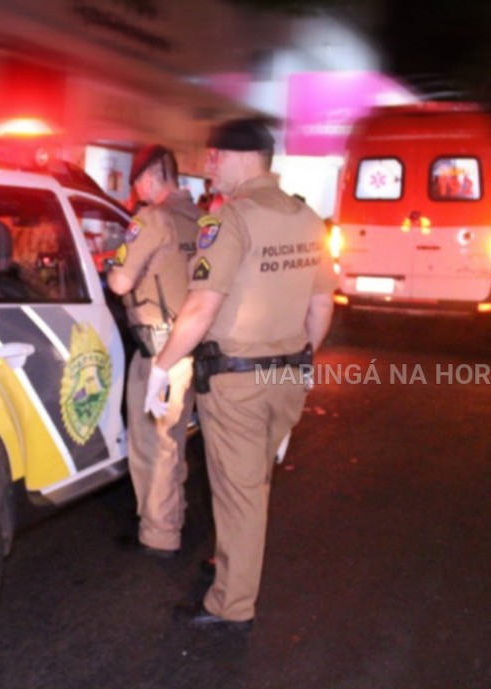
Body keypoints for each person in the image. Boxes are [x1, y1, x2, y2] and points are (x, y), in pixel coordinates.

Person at [145, 118, 336, 631]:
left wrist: (161, 369)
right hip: (286, 381)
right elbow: (321, 306)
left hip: (238, 386)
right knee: (251, 488)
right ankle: (230, 572)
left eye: (215, 157)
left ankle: (230, 605)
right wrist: (297, 361)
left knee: (240, 496)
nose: (209, 167)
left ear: (244, 158)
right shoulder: (308, 218)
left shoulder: (234, 221)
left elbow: (202, 306)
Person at [107, 144, 200, 557]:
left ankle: (159, 534)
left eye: (138, 182)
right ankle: (173, 514)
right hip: (189, 345)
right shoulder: (200, 219)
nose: (138, 191)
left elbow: (120, 284)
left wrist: (112, 264)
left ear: (149, 178)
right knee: (174, 441)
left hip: (158, 353)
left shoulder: (152, 219)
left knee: (152, 445)